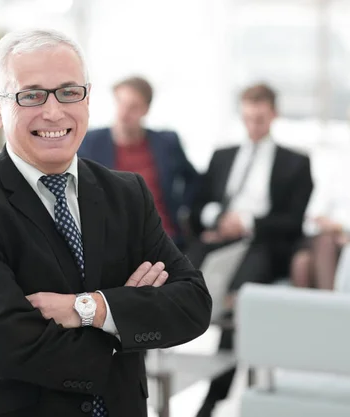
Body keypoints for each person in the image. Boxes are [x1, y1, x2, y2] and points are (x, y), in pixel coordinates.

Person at [0, 29, 212, 417]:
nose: (54, 111)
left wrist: (88, 308)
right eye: (31, 95)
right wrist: (121, 324)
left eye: (68, 91)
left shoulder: (127, 194)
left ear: (88, 100)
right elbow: (5, 347)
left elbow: (192, 305)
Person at [188, 84, 313, 416]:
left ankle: (213, 399)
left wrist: (248, 223)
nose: (253, 125)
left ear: (273, 114)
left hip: (262, 244)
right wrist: (218, 219)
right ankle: (151, 365)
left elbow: (294, 222)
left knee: (237, 303)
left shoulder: (296, 163)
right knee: (174, 277)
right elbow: (197, 205)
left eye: (259, 118)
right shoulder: (222, 155)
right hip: (219, 238)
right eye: (247, 118)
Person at [79, 76, 199, 249]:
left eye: (133, 107)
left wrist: (184, 210)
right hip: (114, 241)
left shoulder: (166, 142)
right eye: (120, 103)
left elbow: (193, 180)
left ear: (146, 109)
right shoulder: (90, 142)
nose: (123, 113)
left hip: (165, 238)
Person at [290, 144, 350, 290]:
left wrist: (342, 228)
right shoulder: (339, 163)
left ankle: (331, 308)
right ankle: (327, 307)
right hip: (329, 238)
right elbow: (313, 216)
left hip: (341, 237)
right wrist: (332, 228)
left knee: (324, 244)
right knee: (302, 263)